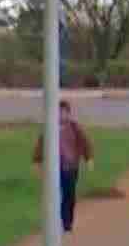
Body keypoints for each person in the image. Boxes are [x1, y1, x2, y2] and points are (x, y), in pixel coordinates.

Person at [36, 99, 94, 233]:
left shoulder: (74, 127)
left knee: (69, 195)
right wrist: (37, 161)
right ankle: (57, 222)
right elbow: (41, 145)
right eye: (59, 112)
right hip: (55, 168)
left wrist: (89, 159)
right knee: (55, 194)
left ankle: (67, 223)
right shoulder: (49, 128)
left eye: (64, 112)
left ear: (68, 114)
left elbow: (85, 143)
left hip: (71, 167)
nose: (61, 115)